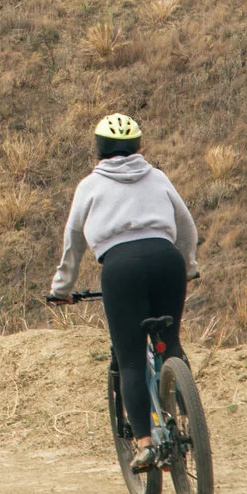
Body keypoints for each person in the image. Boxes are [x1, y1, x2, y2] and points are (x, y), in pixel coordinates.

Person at [47, 113, 199, 472]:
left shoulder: (89, 186)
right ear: (137, 146)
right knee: (170, 342)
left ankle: (145, 444)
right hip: (167, 260)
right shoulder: (158, 177)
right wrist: (189, 265)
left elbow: (73, 240)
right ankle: (186, 415)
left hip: (121, 268)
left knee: (130, 359)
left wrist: (61, 288)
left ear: (99, 148)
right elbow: (186, 226)